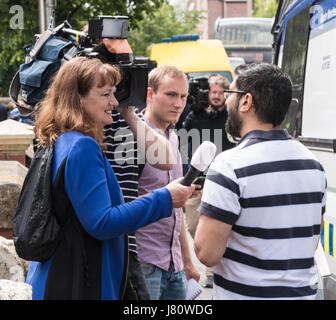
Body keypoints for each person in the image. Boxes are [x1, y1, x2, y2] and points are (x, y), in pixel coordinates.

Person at [26, 57, 195, 300]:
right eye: (106, 94)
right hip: (78, 281)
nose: (115, 103)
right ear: (78, 98)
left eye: (114, 93)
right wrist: (165, 198)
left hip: (64, 274)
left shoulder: (61, 139)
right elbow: (102, 222)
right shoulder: (82, 146)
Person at [194, 63, 327, 300]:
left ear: (246, 101)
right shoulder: (314, 165)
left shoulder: (229, 166)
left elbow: (207, 253)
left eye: (230, 94)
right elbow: (310, 241)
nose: (226, 102)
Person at [135, 65, 201, 300]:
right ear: (150, 95)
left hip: (174, 266)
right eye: (171, 94)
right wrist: (165, 195)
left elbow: (177, 211)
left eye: (183, 96)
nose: (179, 103)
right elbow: (117, 204)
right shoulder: (132, 135)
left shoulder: (173, 136)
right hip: (144, 262)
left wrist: (187, 261)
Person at [183, 74, 235, 288]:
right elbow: (180, 134)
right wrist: (191, 110)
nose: (217, 96)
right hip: (198, 181)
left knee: (220, 226)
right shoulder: (195, 115)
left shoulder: (231, 117)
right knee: (193, 225)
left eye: (221, 92)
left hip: (222, 181)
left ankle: (213, 270)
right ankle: (214, 257)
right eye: (213, 92)